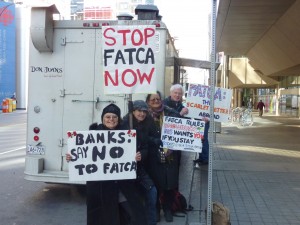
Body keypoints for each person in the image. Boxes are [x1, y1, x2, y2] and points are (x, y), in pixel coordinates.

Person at [66, 103, 148, 225]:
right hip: (101, 187)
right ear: (103, 119)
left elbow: (143, 149)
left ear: (118, 119)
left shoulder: (127, 134)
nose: (111, 120)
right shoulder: (94, 133)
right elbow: (84, 153)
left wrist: (139, 155)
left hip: (122, 185)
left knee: (133, 214)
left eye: (114, 117)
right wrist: (73, 157)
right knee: (103, 217)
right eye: (108, 117)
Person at [145, 91, 181, 222]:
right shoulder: (144, 115)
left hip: (171, 154)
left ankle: (167, 209)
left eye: (158, 99)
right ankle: (156, 209)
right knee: (155, 183)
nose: (156, 101)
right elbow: (141, 134)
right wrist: (154, 142)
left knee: (170, 183)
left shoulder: (171, 112)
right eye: (153, 99)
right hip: (152, 156)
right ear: (148, 102)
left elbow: (184, 129)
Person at [123, 100, 158, 225]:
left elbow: (145, 147)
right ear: (133, 111)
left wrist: (141, 155)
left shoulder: (147, 124)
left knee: (152, 192)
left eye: (144, 111)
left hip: (139, 169)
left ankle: (151, 222)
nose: (142, 114)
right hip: (124, 171)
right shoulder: (123, 124)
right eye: (139, 111)